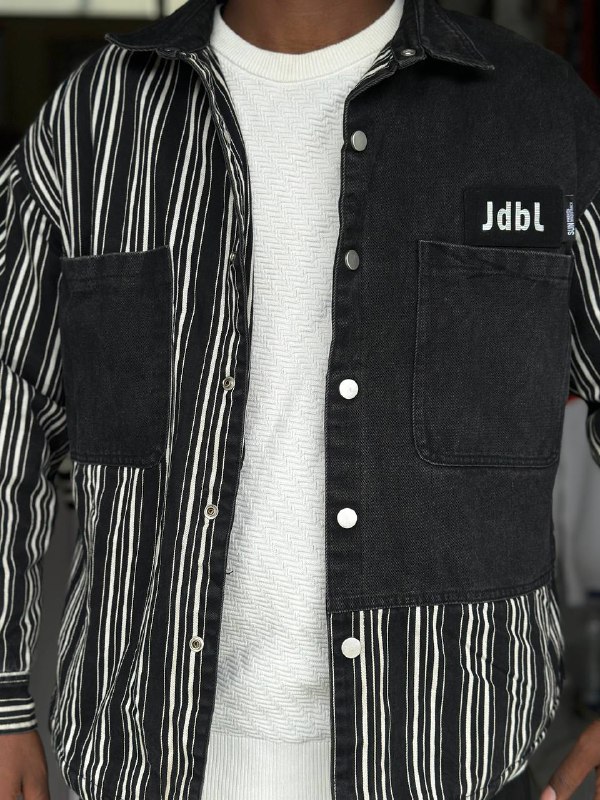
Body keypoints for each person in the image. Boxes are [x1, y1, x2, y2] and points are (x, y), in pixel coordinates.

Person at [0, 0, 599, 798]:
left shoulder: (541, 114)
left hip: (452, 761)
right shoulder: (96, 117)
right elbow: (9, 395)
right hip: (147, 761)